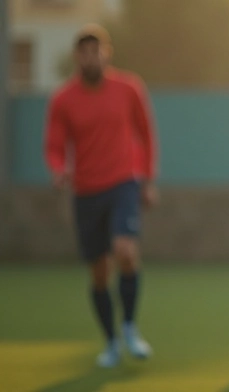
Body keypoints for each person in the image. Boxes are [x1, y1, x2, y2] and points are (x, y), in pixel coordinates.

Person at [44, 24, 159, 368]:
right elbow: (53, 145)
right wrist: (60, 168)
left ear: (106, 53)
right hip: (86, 190)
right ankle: (110, 341)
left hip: (124, 182)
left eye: (96, 50)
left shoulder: (129, 88)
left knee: (125, 251)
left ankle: (129, 327)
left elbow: (146, 133)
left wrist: (148, 180)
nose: (91, 57)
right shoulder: (63, 99)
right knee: (99, 271)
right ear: (77, 57)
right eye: (84, 51)